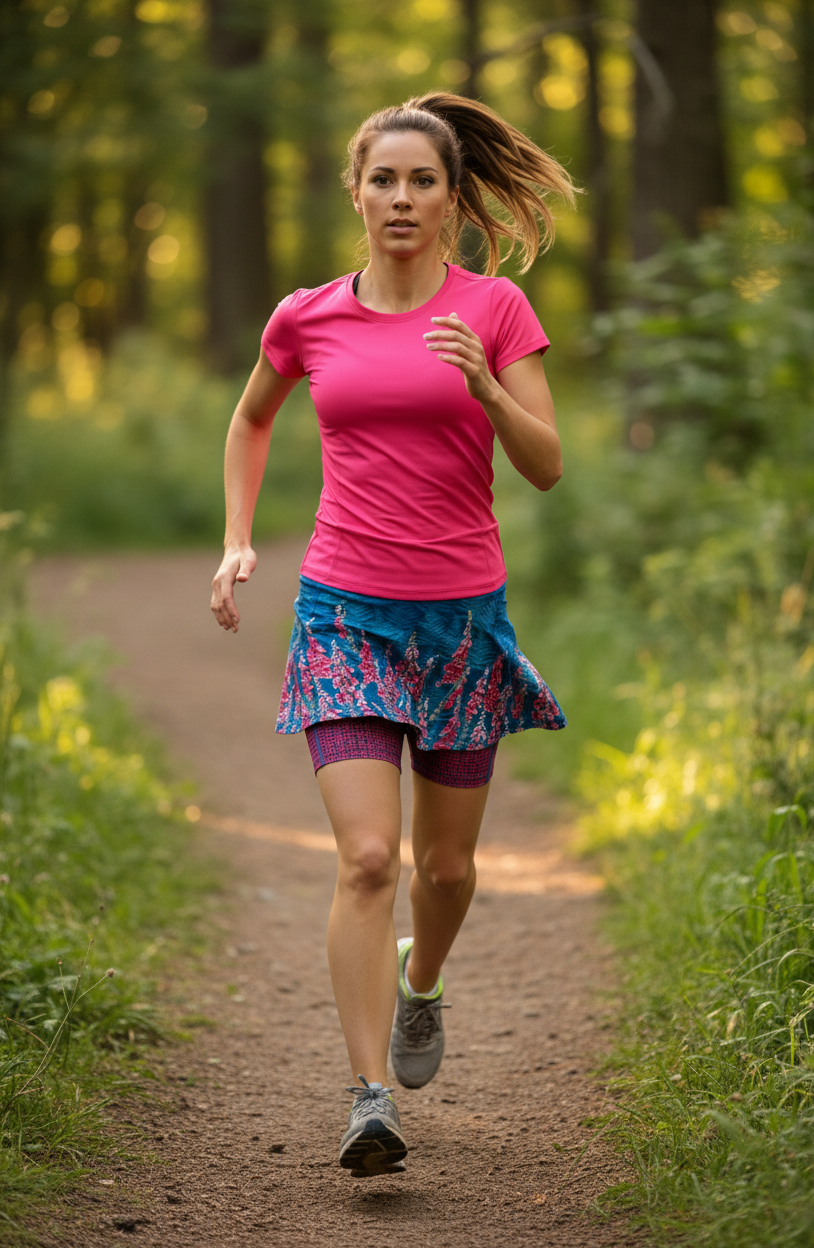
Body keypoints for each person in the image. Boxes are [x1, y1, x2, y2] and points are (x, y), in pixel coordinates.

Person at [211, 91, 573, 1178]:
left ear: (453, 198)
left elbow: (547, 462)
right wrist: (235, 538)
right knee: (369, 858)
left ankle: (422, 985)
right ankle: (371, 1098)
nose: (402, 199)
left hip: (462, 622)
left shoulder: (496, 311)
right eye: (384, 180)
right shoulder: (307, 314)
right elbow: (250, 418)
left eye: (423, 182)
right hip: (344, 613)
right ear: (356, 194)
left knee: (446, 871)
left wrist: (484, 389)